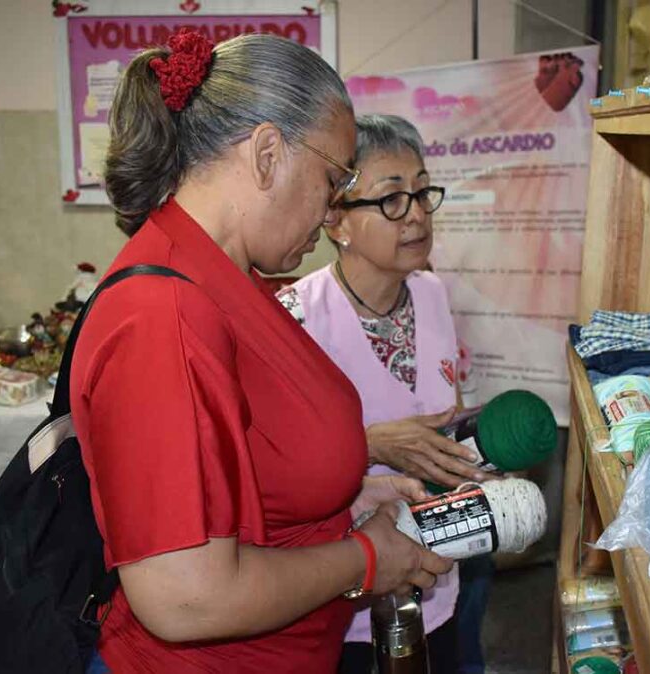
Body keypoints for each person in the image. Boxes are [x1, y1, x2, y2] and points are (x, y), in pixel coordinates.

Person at [70, 32, 451, 673]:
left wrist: (342, 503)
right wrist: (364, 560)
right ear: (269, 154)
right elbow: (183, 597)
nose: (333, 207)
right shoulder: (163, 315)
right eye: (333, 179)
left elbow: (244, 469)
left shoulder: (226, 277)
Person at [278, 114, 490, 673]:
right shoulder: (296, 320)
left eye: (423, 191)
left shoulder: (432, 292)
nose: (417, 214)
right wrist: (369, 444)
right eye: (393, 199)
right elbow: (274, 479)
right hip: (343, 600)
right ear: (337, 221)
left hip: (438, 574)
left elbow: (441, 408)